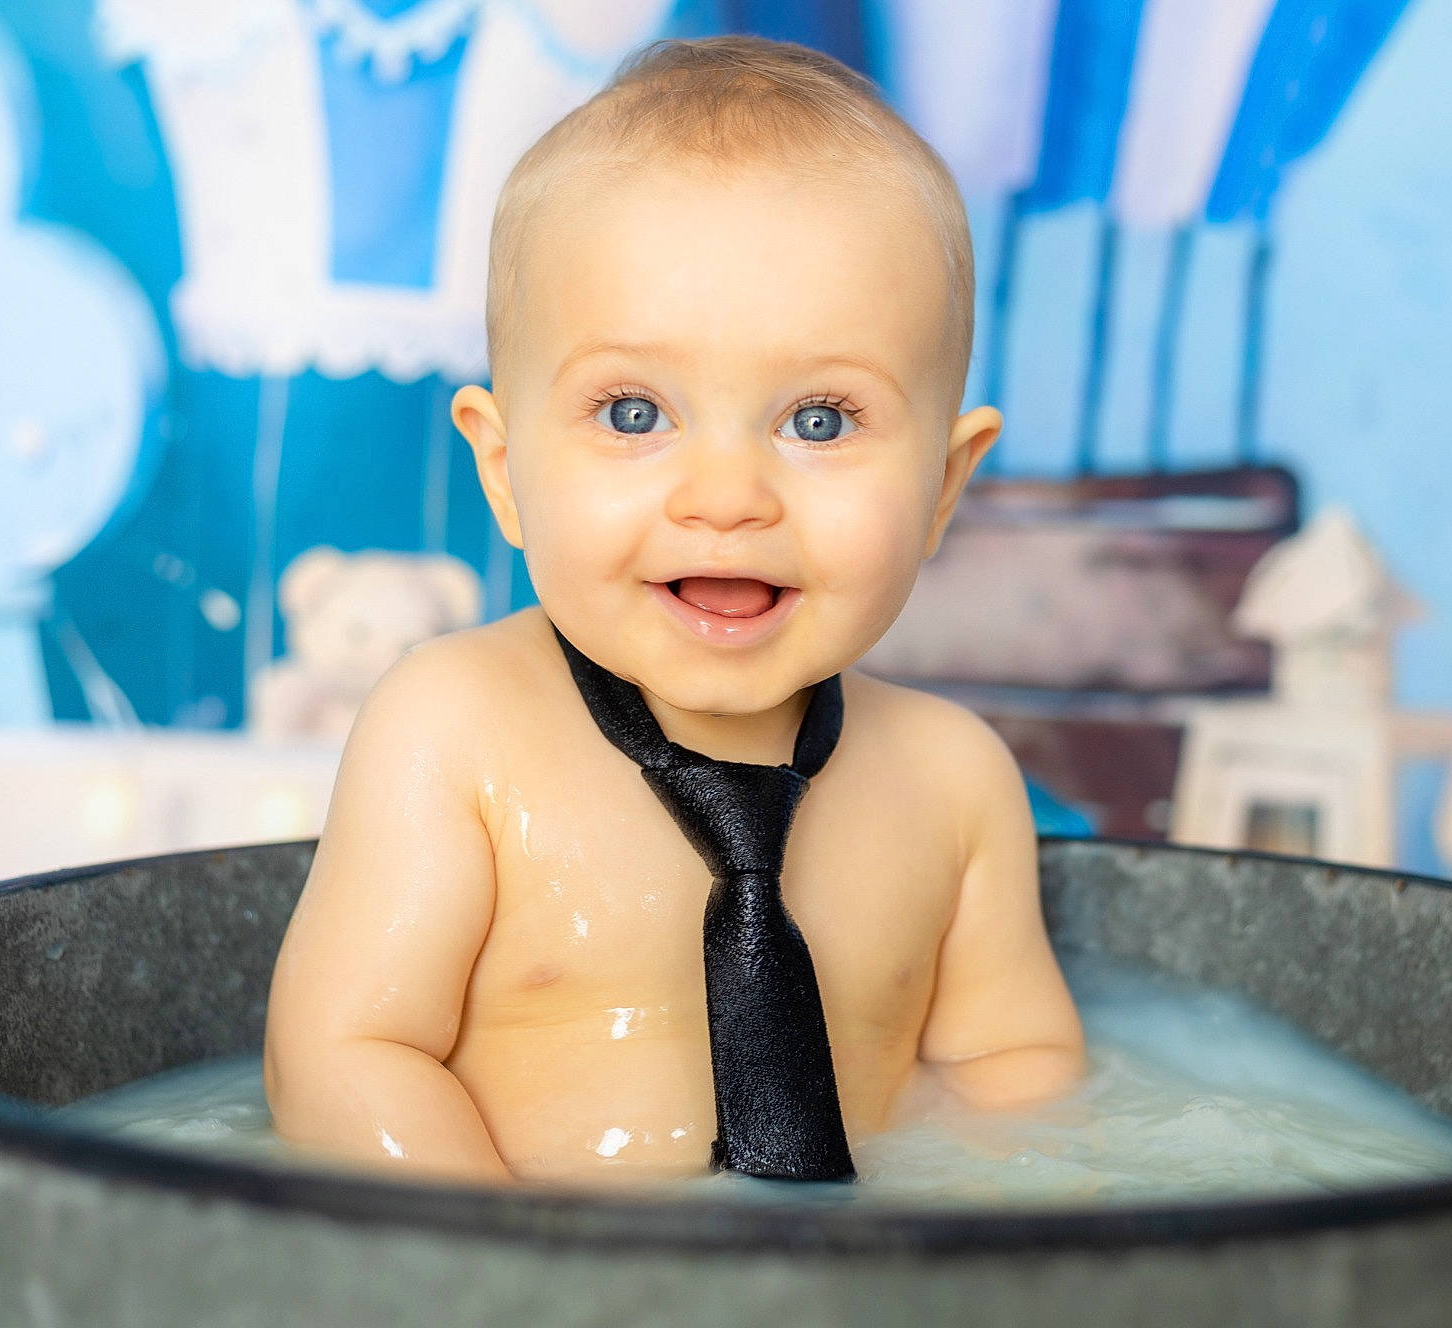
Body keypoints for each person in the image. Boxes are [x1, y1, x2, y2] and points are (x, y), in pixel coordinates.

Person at [262, 34, 1084, 1184]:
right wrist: (521, 1283)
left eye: (819, 421)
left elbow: (1018, 1074)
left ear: (945, 486)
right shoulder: (453, 731)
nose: (726, 499)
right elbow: (343, 1056)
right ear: (503, 472)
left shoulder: (954, 785)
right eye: (635, 413)